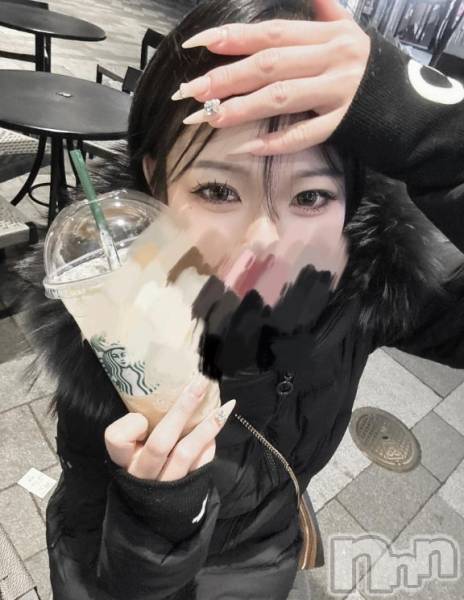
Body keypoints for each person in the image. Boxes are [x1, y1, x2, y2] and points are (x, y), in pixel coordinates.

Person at [17, 0, 464, 599]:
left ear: (351, 207)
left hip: (270, 564)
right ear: (156, 184)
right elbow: (87, 569)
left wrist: (437, 137)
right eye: (217, 190)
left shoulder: (359, 290)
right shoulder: (110, 338)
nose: (265, 242)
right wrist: (155, 519)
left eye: (310, 197)